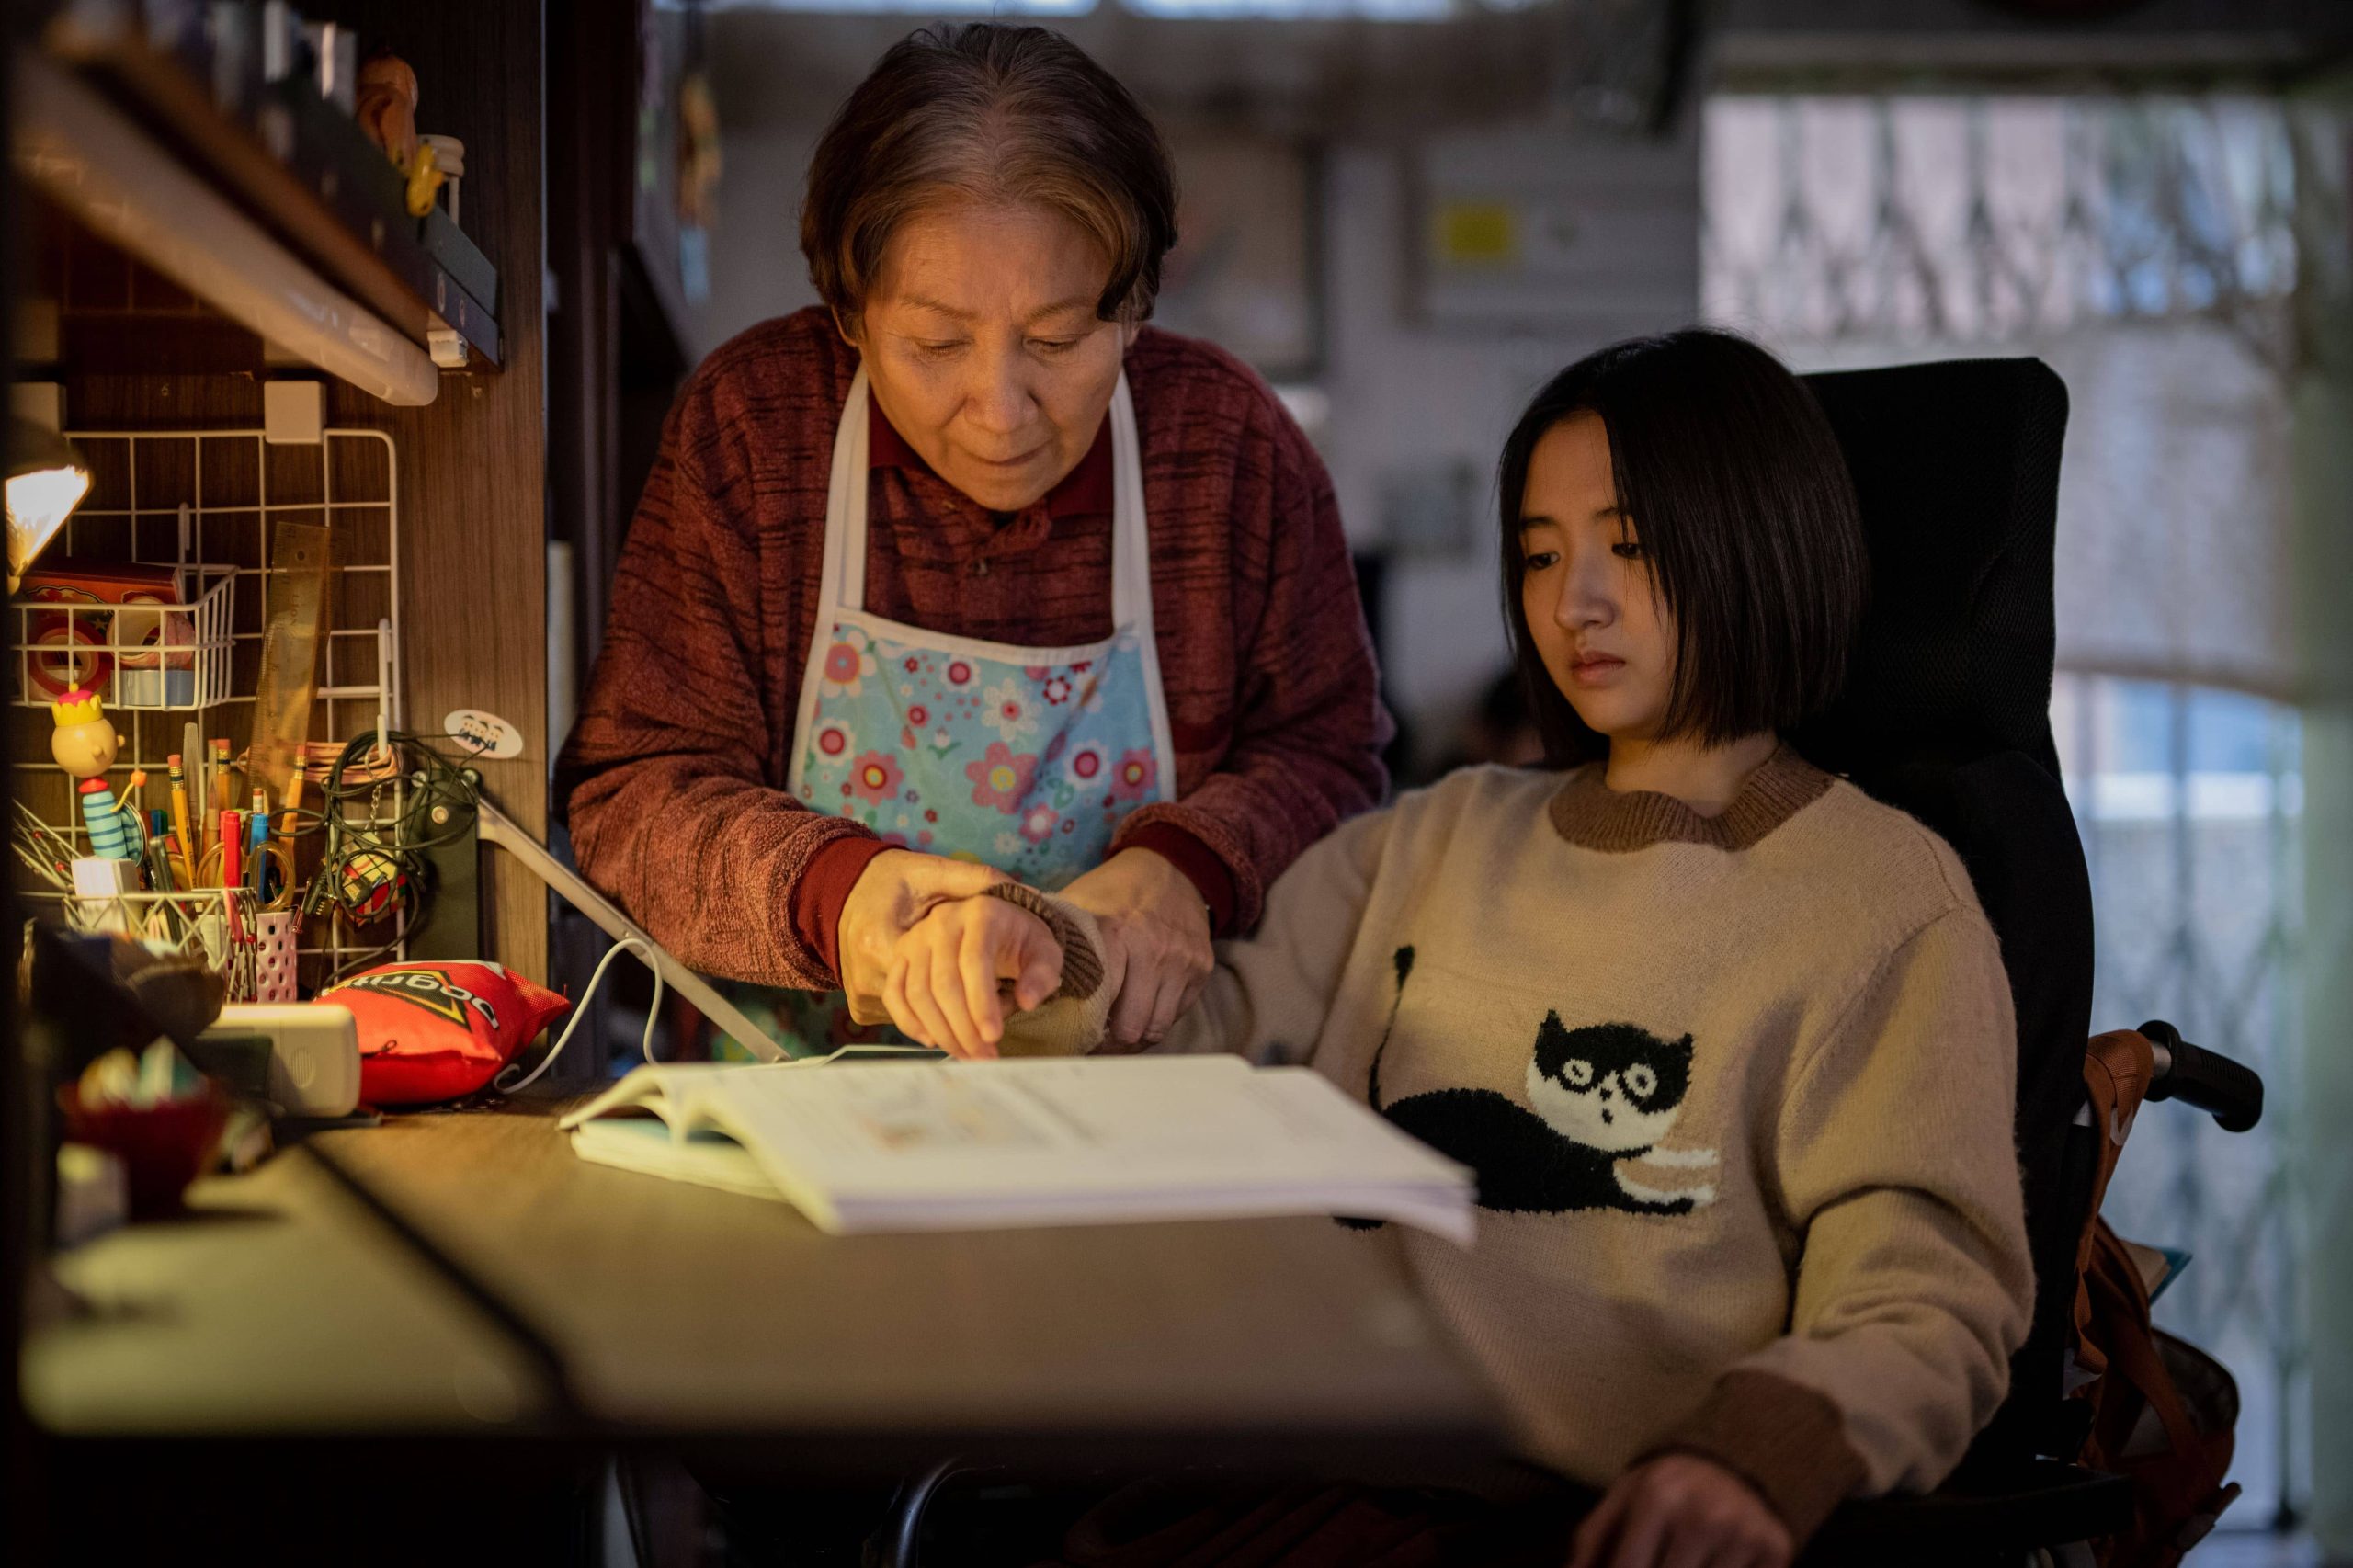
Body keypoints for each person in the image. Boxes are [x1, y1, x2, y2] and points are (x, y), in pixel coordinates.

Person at [915, 330, 2034, 1568]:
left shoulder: (1879, 900)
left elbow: (1929, 1287)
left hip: (1583, 1518)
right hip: (1298, 1474)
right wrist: (1050, 957)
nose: (1573, 604)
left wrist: (1760, 1452)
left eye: (1632, 547)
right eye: (1540, 555)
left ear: (1759, 545)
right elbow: (1209, 1025)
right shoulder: (1442, 835)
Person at [555, 24, 1388, 1058]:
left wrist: (1186, 865)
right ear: (851, 313)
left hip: (1143, 1106)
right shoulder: (757, 428)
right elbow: (633, 792)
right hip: (802, 1104)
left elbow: (1331, 754)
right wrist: (841, 891)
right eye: (937, 342)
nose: (1000, 411)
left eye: (1058, 340)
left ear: (1133, 309)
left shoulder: (1226, 449)